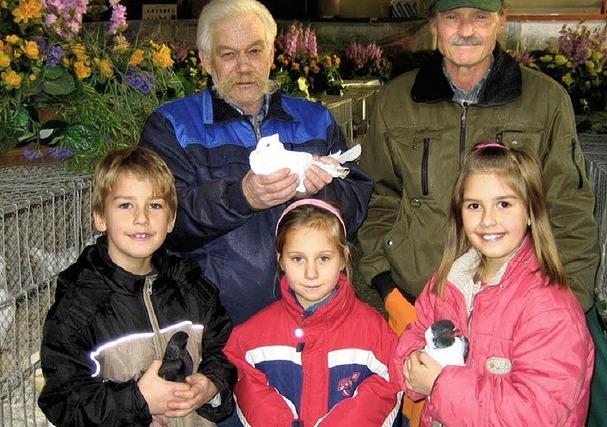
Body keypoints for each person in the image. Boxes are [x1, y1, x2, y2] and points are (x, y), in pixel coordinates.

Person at [357, 0, 599, 332]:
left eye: (480, 17)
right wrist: (387, 289)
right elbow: (375, 198)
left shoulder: (545, 102)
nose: (466, 30)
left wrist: (563, 308)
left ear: (502, 21)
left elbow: (570, 210)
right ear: (433, 25)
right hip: (417, 300)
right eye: (452, 17)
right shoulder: (397, 102)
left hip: (516, 311)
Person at [139, 0, 372, 326]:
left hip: (313, 314)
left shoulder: (315, 119)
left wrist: (318, 196)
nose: (244, 67)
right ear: (206, 61)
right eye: (228, 54)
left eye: (254, 51)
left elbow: (358, 204)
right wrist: (241, 197)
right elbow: (164, 222)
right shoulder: (172, 126)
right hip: (216, 321)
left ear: (272, 54)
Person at [394, 143, 594, 426]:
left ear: (529, 212)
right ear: (459, 214)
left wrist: (439, 385)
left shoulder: (551, 309)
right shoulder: (448, 282)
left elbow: (535, 414)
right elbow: (416, 332)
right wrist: (415, 363)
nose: (488, 220)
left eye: (504, 204)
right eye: (474, 206)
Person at [38, 147, 237, 426]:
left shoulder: (193, 288)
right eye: (125, 205)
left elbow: (227, 349)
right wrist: (138, 401)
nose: (141, 217)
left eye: (154, 205)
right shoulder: (78, 306)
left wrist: (211, 383)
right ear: (100, 217)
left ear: (171, 220)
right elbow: (64, 400)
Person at [223, 199, 402, 426]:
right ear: (280, 261)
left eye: (323, 258)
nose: (311, 273)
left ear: (343, 258)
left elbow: (389, 385)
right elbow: (241, 377)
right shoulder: (251, 335)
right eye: (298, 259)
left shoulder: (375, 330)